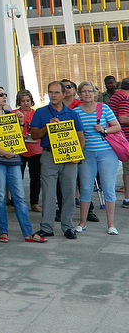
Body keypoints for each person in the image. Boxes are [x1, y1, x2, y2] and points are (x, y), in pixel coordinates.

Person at [0, 86, 46, 244]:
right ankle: (3, 231)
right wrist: (1, 150)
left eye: (5, 94)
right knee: (0, 196)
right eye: (1, 95)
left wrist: (22, 122)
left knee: (19, 197)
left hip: (13, 158)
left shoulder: (9, 114)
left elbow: (17, 136)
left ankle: (28, 231)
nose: (4, 97)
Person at [30, 81, 85, 239]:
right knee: (48, 193)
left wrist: (77, 155)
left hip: (69, 156)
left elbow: (81, 138)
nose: (53, 95)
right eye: (50, 92)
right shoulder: (40, 112)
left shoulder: (72, 114)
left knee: (68, 193)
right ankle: (46, 227)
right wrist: (47, 127)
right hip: (49, 155)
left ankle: (68, 226)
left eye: (56, 92)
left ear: (63, 94)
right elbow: (34, 135)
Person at [74, 82, 121, 235]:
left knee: (108, 188)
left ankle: (111, 224)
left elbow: (117, 126)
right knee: (86, 188)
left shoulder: (104, 108)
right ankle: (82, 222)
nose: (87, 94)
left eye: (90, 91)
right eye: (83, 91)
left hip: (106, 153)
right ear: (79, 94)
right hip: (87, 154)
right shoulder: (76, 112)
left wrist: (104, 130)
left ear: (95, 93)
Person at [16, 90, 41, 212]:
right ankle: (17, 202)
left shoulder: (37, 113)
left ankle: (34, 202)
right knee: (17, 176)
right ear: (19, 102)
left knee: (35, 177)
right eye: (23, 101)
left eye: (28, 101)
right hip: (19, 149)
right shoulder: (13, 114)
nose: (26, 103)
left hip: (35, 148)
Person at [108, 78, 129, 208]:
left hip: (120, 138)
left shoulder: (116, 96)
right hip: (125, 138)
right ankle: (127, 198)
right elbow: (122, 118)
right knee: (128, 169)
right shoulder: (124, 98)